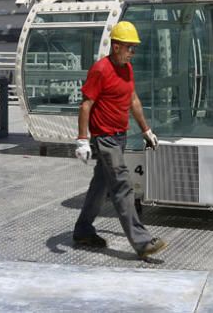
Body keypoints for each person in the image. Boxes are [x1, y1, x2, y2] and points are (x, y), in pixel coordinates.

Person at [72, 20, 167, 259]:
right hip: (105, 138)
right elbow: (86, 106)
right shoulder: (100, 69)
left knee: (100, 186)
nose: (133, 52)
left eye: (134, 48)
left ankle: (83, 230)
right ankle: (143, 242)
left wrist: (146, 130)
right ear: (116, 47)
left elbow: (133, 100)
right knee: (123, 185)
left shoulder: (127, 69)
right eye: (129, 47)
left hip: (120, 135)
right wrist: (83, 140)